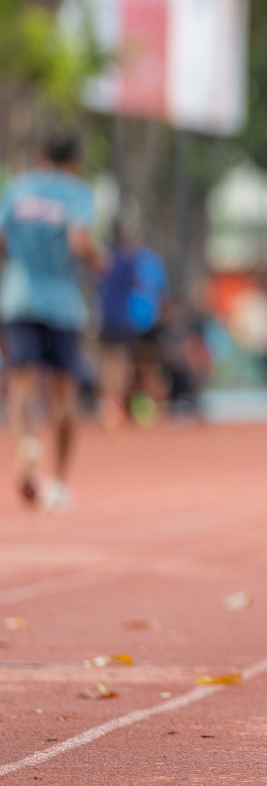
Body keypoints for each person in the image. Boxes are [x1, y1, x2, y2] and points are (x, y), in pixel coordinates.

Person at [0, 131, 101, 512]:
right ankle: (58, 481)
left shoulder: (19, 189)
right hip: (62, 304)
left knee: (21, 382)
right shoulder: (77, 193)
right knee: (63, 392)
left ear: (41, 155)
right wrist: (98, 259)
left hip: (19, 298)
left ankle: (26, 440)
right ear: (74, 161)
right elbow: (79, 242)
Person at [97, 220, 169, 430]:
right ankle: (117, 407)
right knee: (130, 365)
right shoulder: (136, 261)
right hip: (127, 321)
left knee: (118, 364)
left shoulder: (108, 258)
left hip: (120, 320)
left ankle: (113, 407)